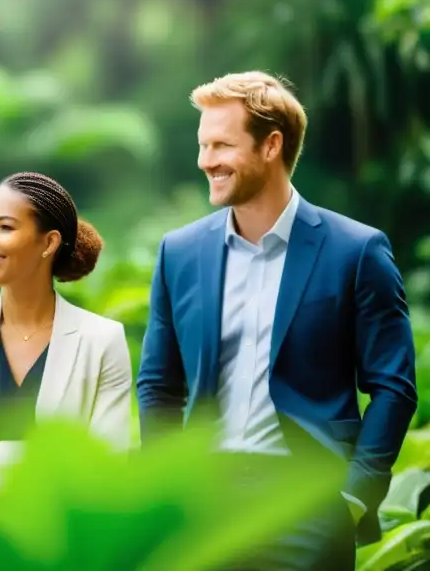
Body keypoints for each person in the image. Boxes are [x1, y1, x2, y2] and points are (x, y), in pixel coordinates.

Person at [136, 71, 417, 569]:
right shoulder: (178, 253)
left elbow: (393, 387)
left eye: (221, 145)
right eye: (203, 146)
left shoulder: (357, 251)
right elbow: (159, 385)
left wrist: (352, 499)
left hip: (307, 504)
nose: (205, 161)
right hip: (203, 504)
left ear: (271, 145)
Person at [0, 172, 133, 488]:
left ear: (49, 243)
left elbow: (108, 465)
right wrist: (13, 485)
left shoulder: (101, 340)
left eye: (4, 227)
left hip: (64, 534)